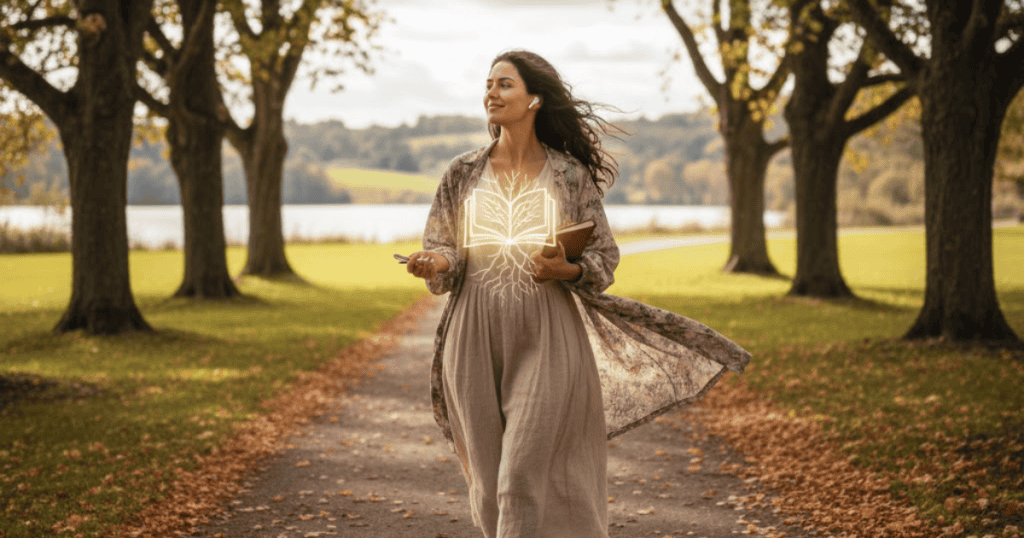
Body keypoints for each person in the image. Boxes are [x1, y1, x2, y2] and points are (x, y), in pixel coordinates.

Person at [405, 50, 751, 538]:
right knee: (486, 485)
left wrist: (567, 268)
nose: (491, 93)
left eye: (505, 84)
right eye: (488, 84)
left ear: (535, 100)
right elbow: (443, 245)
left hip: (547, 333)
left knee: (519, 480)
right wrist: (434, 261)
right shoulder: (462, 171)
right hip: (472, 333)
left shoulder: (569, 174)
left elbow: (603, 257)